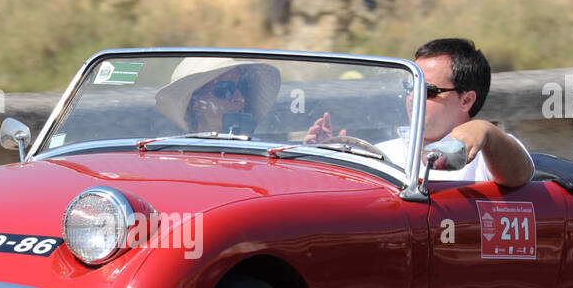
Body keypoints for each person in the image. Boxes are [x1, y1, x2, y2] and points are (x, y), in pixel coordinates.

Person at [305, 38, 534, 188]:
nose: (413, 97)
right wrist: (324, 159)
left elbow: (520, 176)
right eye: (410, 87)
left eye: (428, 91)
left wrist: (487, 131)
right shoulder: (379, 153)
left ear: (466, 100)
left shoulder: (487, 154)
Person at [155, 57, 282, 133]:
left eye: (244, 88)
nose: (240, 98)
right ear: (196, 103)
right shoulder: (177, 161)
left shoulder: (263, 155)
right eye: (225, 89)